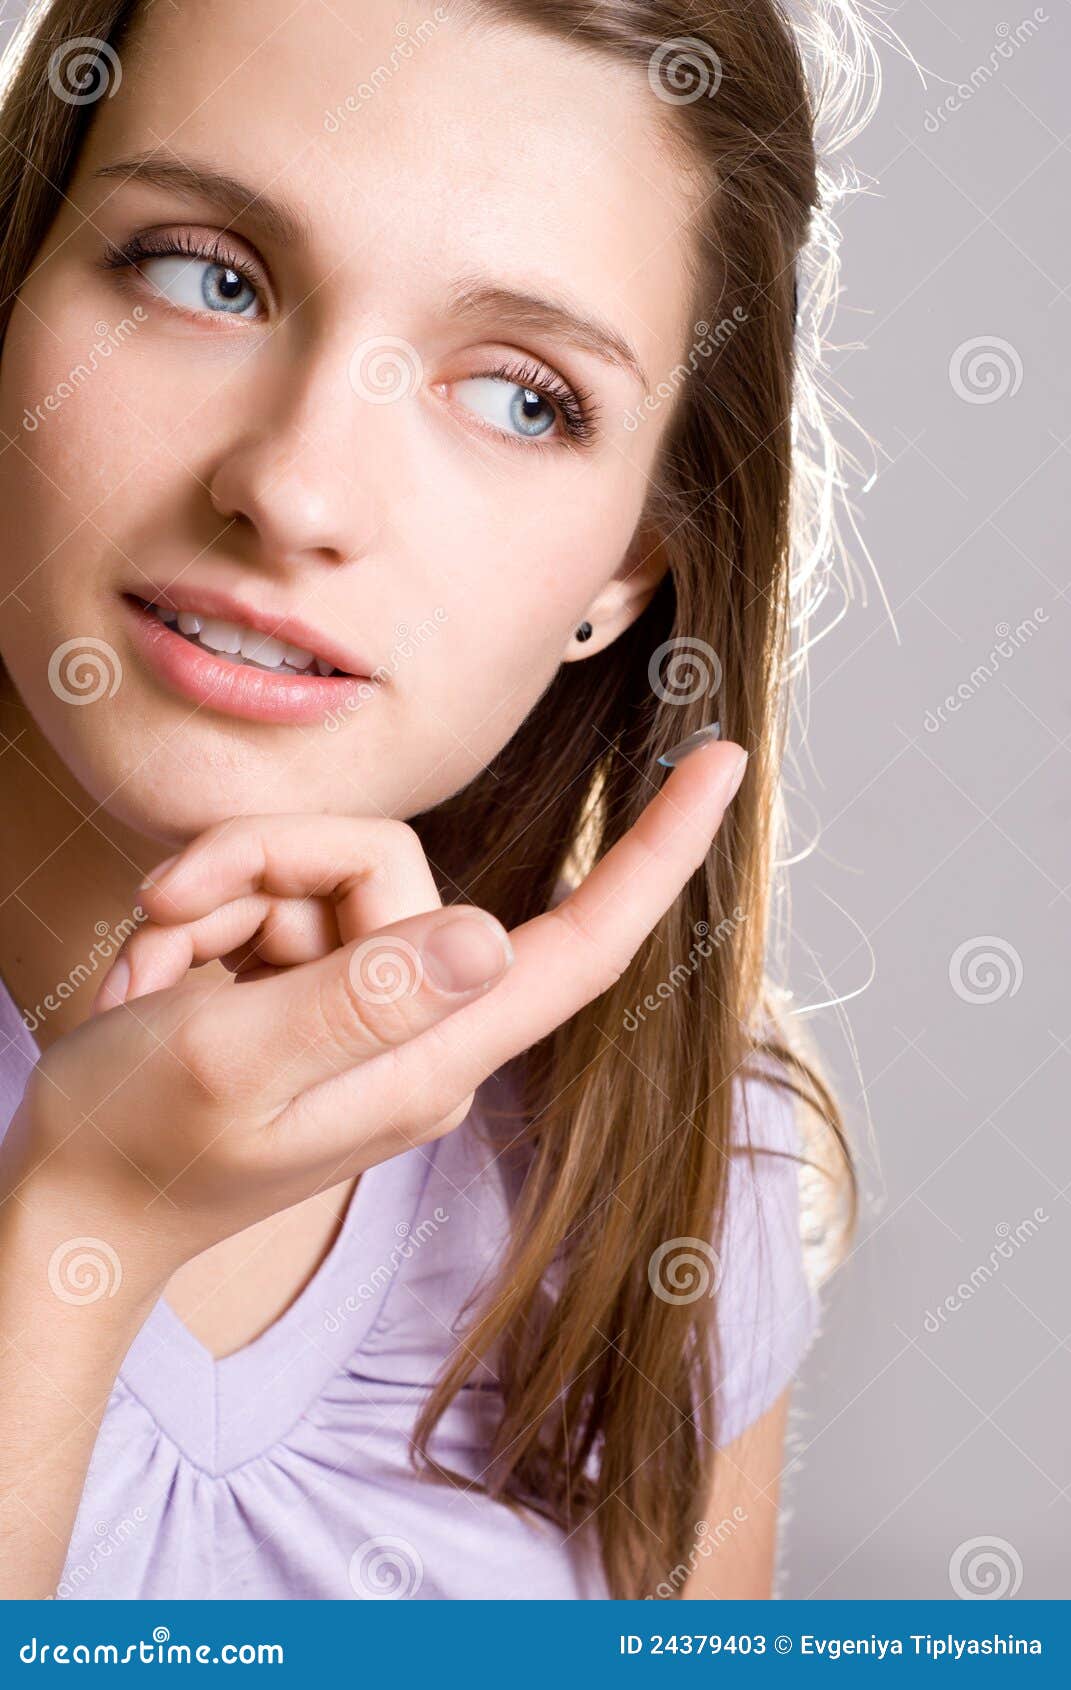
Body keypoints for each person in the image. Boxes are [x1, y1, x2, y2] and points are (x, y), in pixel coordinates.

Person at [0, 0, 861, 1599]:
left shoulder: (671, 1181)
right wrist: (77, 1241)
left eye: (524, 394)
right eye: (204, 272)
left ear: (630, 566)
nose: (296, 489)